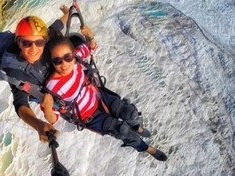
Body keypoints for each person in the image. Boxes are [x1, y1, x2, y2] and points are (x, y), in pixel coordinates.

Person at [40, 27, 168, 161]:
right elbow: (54, 119)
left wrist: (90, 36)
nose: (64, 63)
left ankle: (137, 128)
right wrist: (48, 108)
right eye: (57, 60)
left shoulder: (76, 59)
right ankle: (147, 148)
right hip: (88, 116)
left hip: (98, 96)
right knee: (121, 130)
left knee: (129, 112)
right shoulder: (52, 87)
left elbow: (91, 47)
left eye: (67, 57)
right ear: (52, 61)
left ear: (73, 53)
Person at [0, 5, 70, 142]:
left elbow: (57, 26)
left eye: (39, 42)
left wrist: (67, 13)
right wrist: (37, 124)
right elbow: (21, 104)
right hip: (43, 93)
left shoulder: (49, 42)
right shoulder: (15, 71)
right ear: (18, 42)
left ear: (45, 41)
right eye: (27, 43)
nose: (34, 48)